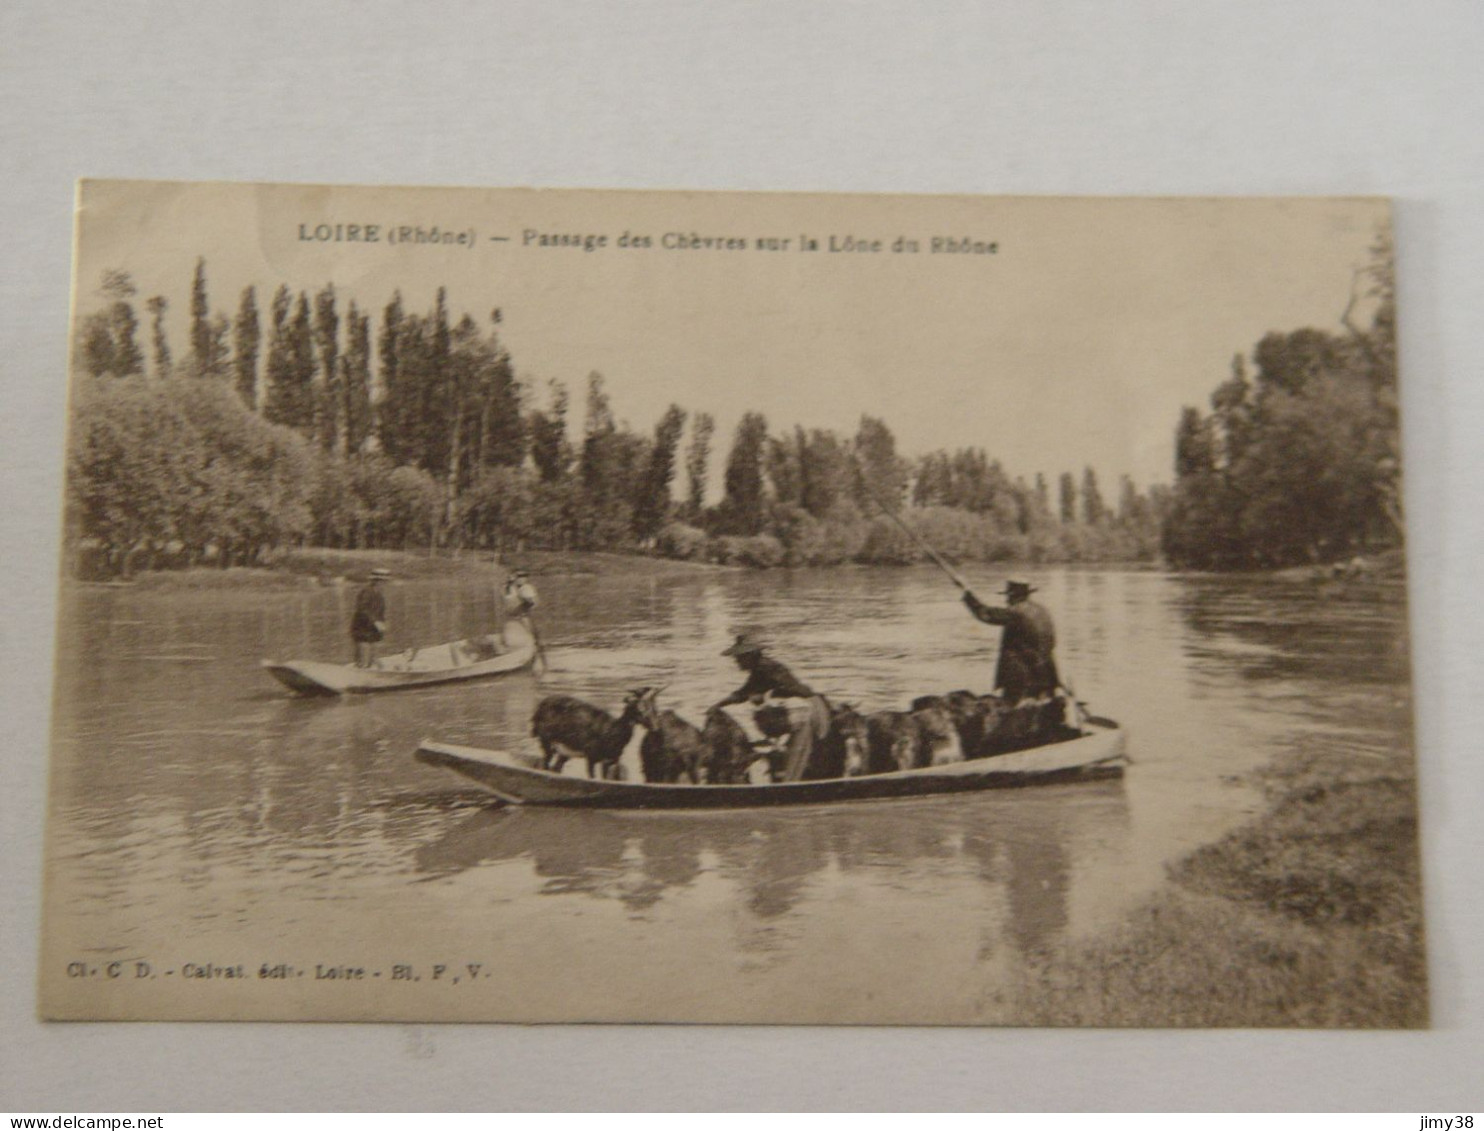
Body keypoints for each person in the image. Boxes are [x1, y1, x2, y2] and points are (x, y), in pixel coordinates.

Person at [711, 633, 830, 782]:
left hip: (808, 709)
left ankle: (788, 786)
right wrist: (720, 704)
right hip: (800, 709)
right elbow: (743, 693)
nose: (737, 661)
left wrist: (764, 697)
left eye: (740, 657)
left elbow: (753, 692)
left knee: (796, 757)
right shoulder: (760, 669)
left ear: (751, 655)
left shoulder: (765, 668)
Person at [962, 580, 1060, 703]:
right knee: (1044, 712)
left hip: (1022, 677)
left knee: (1014, 712)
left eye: (1008, 596)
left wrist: (968, 596)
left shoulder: (1016, 612)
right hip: (1047, 675)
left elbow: (985, 614)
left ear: (1014, 596)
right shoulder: (1042, 610)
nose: (1006, 601)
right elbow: (1052, 642)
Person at [350, 568, 391, 668]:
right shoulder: (366, 592)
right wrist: (375, 622)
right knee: (363, 657)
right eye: (382, 581)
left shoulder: (379, 595)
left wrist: (382, 623)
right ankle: (361, 668)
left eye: (385, 581)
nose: (384, 583)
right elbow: (362, 609)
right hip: (362, 628)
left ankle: (372, 667)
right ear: (376, 581)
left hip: (374, 630)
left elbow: (380, 612)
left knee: (374, 657)